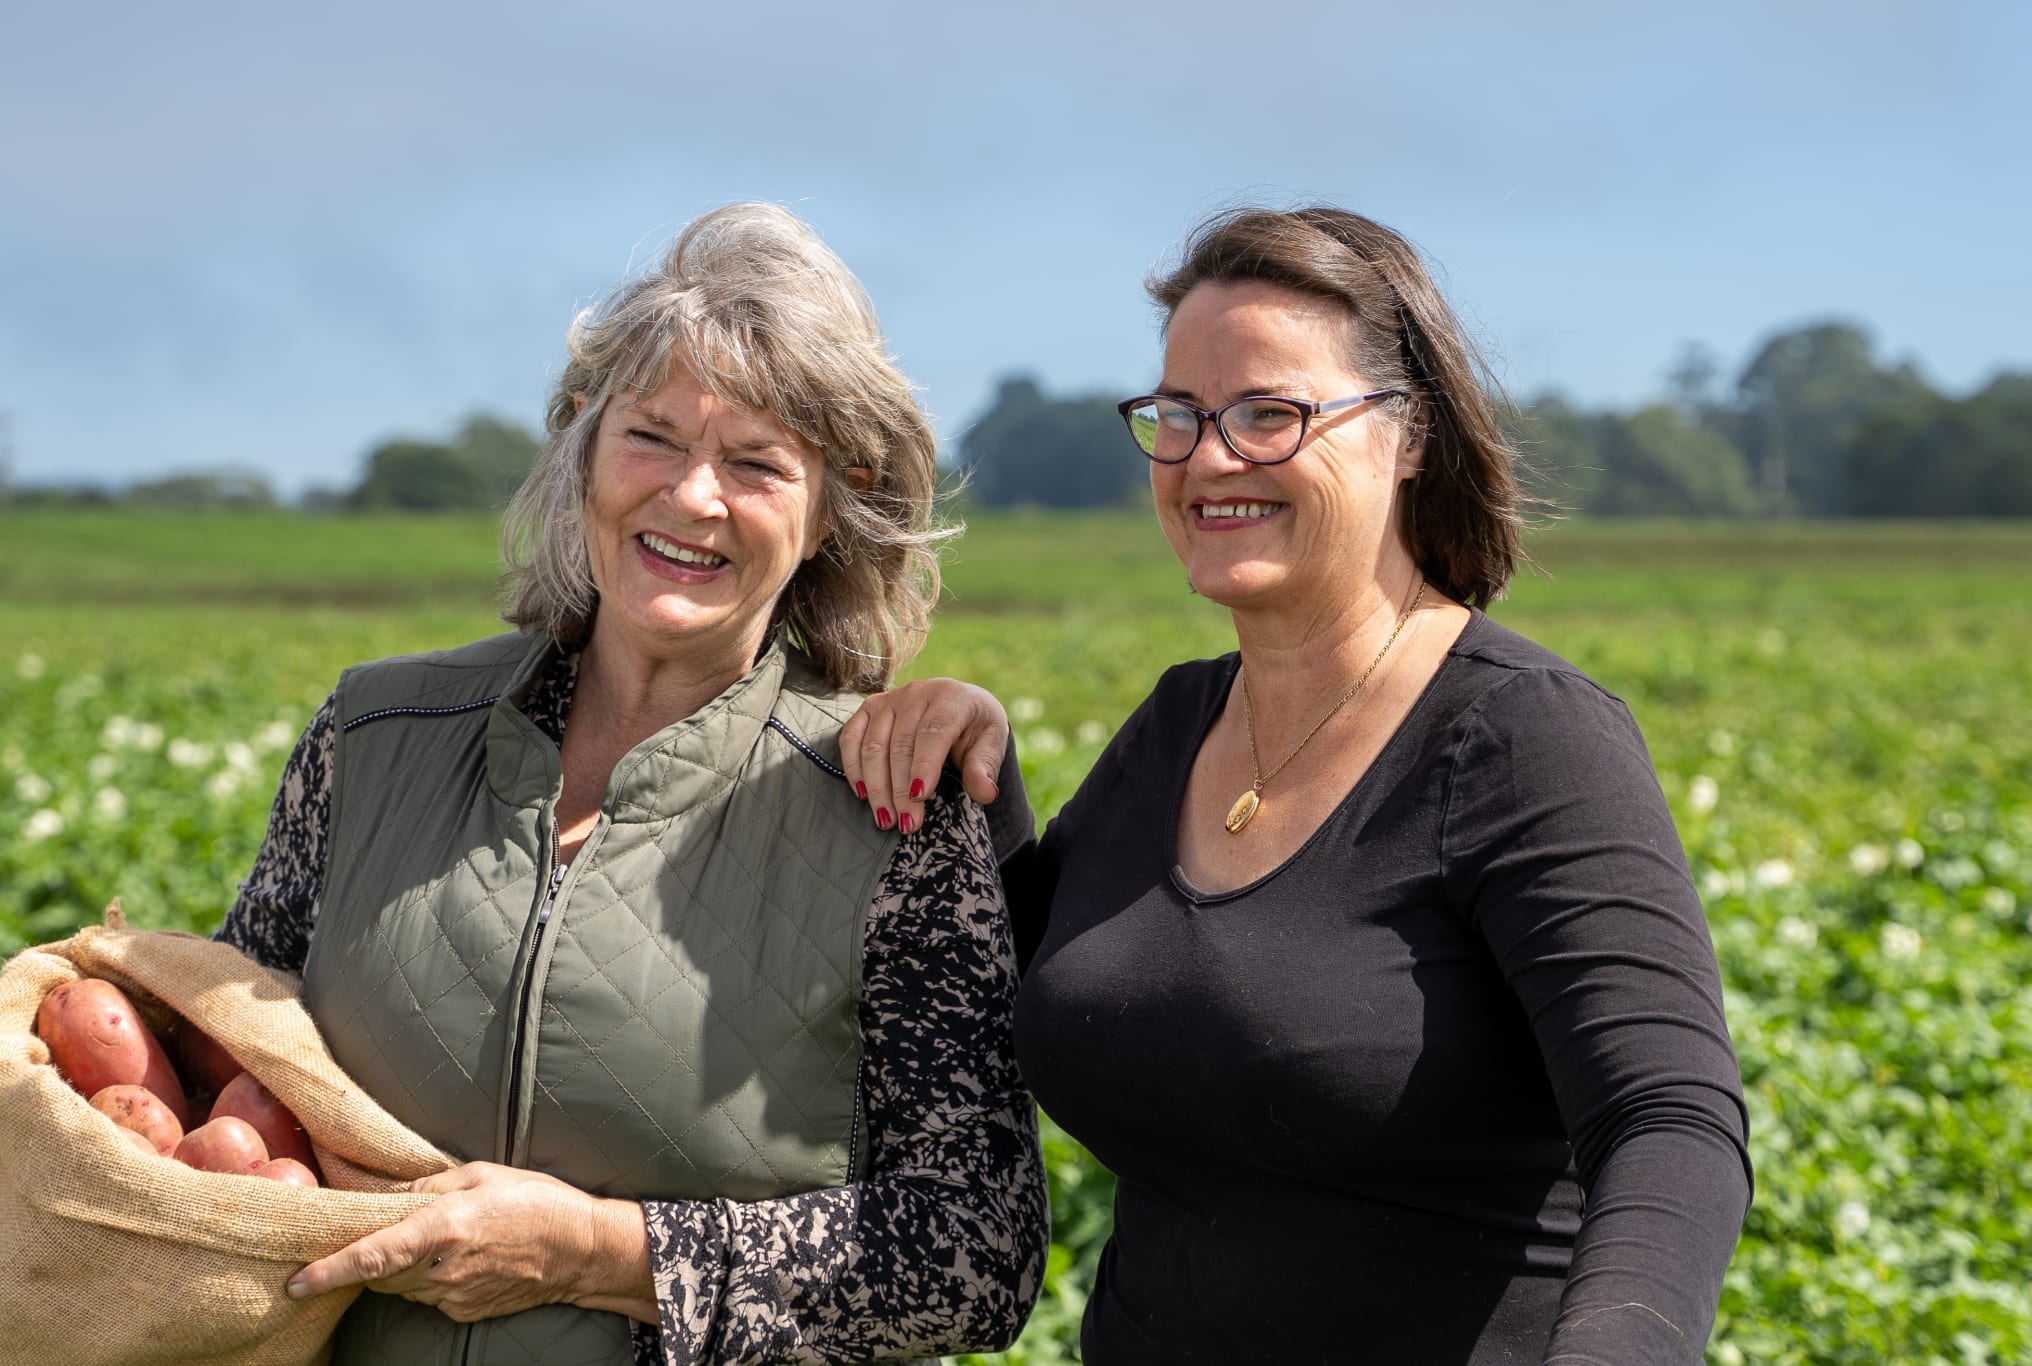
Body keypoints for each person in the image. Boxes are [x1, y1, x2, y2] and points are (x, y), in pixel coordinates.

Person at [841, 206, 1752, 1363]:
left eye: (1271, 414)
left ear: (1407, 433)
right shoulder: (1179, 720)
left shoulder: (1519, 737)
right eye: (1180, 416)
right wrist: (976, 765)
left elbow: (1666, 1123)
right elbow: (1030, 981)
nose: (1211, 458)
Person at [216, 203, 1047, 1366]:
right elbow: (223, 1064)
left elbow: (976, 1251)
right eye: (653, 436)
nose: (693, 496)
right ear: (584, 447)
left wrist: (606, 1254)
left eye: (757, 463)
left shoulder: (895, 809)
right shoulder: (373, 735)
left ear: (828, 510)